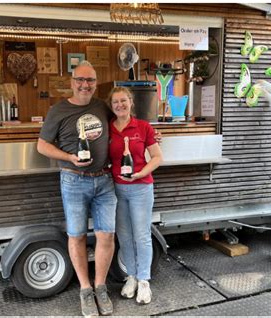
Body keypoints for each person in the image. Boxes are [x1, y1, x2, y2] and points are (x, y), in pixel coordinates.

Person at [37, 61, 117, 317]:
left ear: (96, 83)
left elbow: (124, 123)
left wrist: (151, 135)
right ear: (72, 82)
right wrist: (69, 157)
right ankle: (85, 289)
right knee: (77, 236)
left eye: (90, 80)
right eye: (80, 80)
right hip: (73, 180)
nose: (85, 85)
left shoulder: (102, 107)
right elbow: (42, 146)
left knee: (106, 236)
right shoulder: (58, 110)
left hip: (104, 180)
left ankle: (101, 286)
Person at [107, 86, 163, 305]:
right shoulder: (108, 128)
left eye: (123, 100)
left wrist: (140, 173)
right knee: (124, 236)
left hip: (141, 188)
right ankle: (131, 276)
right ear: (111, 107)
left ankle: (144, 281)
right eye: (115, 102)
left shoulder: (143, 127)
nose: (120, 105)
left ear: (131, 102)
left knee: (141, 235)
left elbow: (157, 157)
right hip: (117, 189)